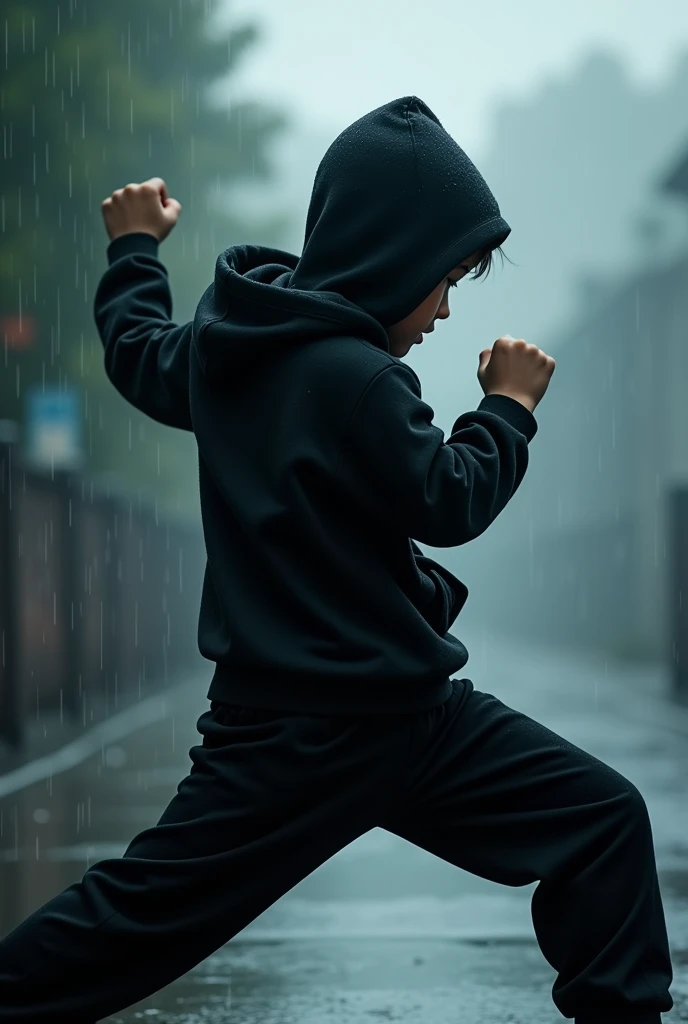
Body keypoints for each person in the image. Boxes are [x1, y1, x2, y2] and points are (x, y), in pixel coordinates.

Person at [0, 95, 673, 1023]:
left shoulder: (227, 352)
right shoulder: (358, 379)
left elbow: (138, 353)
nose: (443, 308)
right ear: (393, 257)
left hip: (407, 717)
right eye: (445, 279)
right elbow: (447, 500)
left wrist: (134, 252)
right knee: (134, 919)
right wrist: (507, 410)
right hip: (307, 734)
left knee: (601, 821)